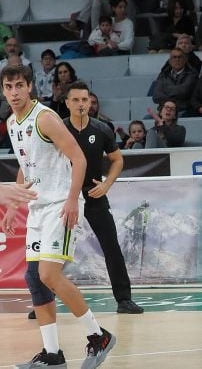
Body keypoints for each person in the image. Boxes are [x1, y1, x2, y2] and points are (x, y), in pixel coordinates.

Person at [2, 66, 115, 368]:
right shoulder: (13, 122)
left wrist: (72, 201)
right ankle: (53, 355)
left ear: (29, 88)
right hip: (38, 206)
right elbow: (28, 165)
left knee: (49, 275)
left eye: (19, 86)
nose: (13, 92)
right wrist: (14, 204)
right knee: (34, 280)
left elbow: (78, 158)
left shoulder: (45, 118)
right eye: (8, 86)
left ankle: (98, 335)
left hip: (59, 204)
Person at [64, 81, 144, 314]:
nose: (81, 104)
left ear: (90, 102)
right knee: (53, 248)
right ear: (67, 103)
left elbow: (118, 160)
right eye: (76, 100)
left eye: (85, 100)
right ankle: (42, 300)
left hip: (94, 194)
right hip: (66, 196)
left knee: (111, 246)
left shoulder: (102, 129)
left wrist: (107, 184)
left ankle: (123, 299)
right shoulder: (58, 128)